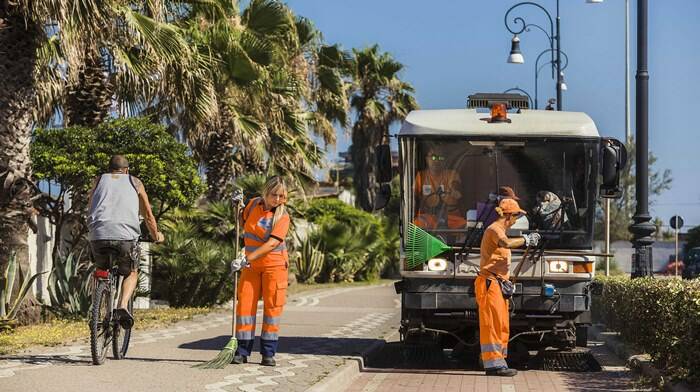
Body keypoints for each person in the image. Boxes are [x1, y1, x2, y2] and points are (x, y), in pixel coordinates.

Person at [87, 155, 164, 329]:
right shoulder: (135, 182)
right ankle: (122, 305)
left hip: (98, 235)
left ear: (109, 169)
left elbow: (90, 205)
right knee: (131, 271)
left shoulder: (98, 180)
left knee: (100, 269)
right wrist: (156, 235)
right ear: (126, 170)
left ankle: (96, 308)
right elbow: (148, 216)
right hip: (125, 238)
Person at [476, 198, 540, 377]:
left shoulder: (500, 229)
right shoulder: (495, 229)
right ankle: (493, 365)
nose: (516, 220)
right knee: (492, 326)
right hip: (489, 284)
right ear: (509, 215)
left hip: (497, 283)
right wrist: (526, 239)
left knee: (501, 325)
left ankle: (499, 362)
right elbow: (506, 244)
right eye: (516, 216)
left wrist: (506, 281)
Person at [231, 176, 291, 367]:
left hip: (274, 267)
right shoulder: (252, 205)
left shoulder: (282, 216)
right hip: (251, 267)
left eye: (282, 196)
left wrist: (245, 258)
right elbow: (241, 221)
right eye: (275, 195)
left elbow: (272, 243)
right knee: (245, 308)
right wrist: (237, 206)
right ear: (265, 192)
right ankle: (242, 351)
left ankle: (268, 353)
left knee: (272, 309)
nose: (278, 200)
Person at [414, 148, 466, 230]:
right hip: (429, 218)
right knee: (416, 224)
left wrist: (455, 190)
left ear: (444, 160)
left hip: (451, 218)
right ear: (427, 159)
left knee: (466, 227)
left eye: (440, 158)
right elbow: (412, 198)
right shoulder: (421, 176)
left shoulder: (452, 174)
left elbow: (456, 188)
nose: (437, 161)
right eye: (433, 157)